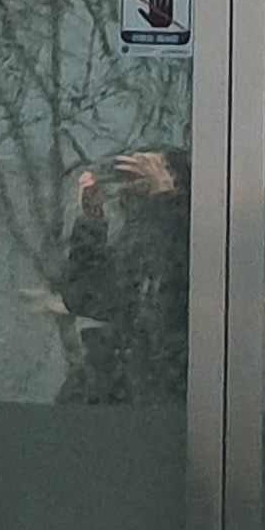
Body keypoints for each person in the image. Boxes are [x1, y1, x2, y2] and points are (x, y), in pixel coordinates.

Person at [58, 145, 191, 404]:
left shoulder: (204, 235)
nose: (135, 185)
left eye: (148, 172)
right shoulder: (136, 237)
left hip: (174, 382)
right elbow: (85, 299)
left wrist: (168, 198)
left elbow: (173, 292)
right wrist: (91, 222)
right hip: (122, 382)